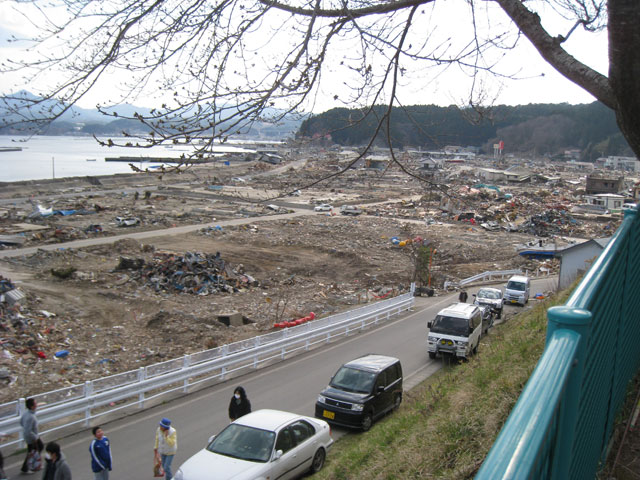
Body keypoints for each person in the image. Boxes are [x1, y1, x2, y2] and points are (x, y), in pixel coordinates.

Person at [20, 397, 44, 474]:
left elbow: (21, 422)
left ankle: (31, 465)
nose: (37, 405)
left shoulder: (26, 413)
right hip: (32, 438)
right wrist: (35, 437)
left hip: (31, 436)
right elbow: (28, 431)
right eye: (35, 403)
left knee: (34, 450)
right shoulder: (30, 417)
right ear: (32, 406)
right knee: (34, 451)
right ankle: (29, 467)